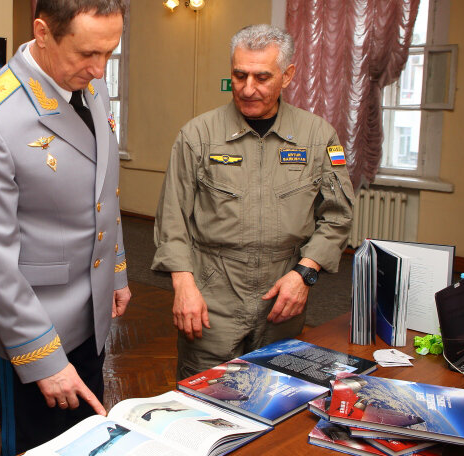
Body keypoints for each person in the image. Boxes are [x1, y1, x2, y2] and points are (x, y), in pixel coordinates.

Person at [0, 0, 132, 456]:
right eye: (87, 53)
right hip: (37, 324)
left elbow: (103, 193)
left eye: (108, 53)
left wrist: (115, 272)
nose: (99, 69)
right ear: (43, 32)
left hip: (92, 312)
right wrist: (43, 358)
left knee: (84, 449)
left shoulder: (93, 89)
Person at [152, 24, 354, 380]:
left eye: (262, 77)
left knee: (277, 393)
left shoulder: (319, 136)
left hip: (283, 296)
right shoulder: (197, 135)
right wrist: (183, 286)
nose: (247, 89)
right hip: (213, 296)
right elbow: (173, 219)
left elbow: (337, 215)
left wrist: (305, 274)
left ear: (288, 75)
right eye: (239, 75)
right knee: (206, 396)